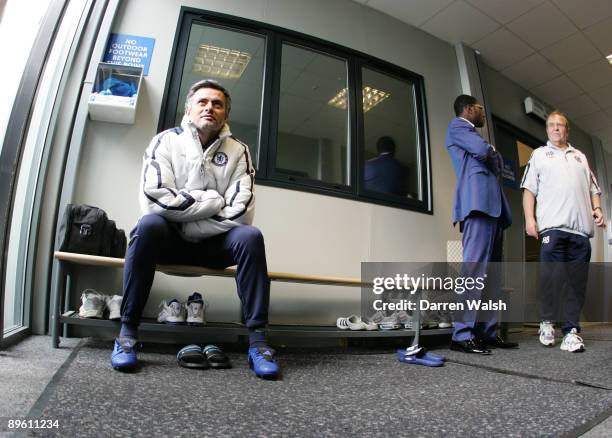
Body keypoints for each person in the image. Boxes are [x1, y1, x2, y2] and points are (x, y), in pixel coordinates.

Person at [111, 79, 279, 378]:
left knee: (250, 236)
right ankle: (127, 334)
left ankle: (258, 342)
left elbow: (241, 211)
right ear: (188, 109)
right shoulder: (164, 141)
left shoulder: (239, 151)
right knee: (148, 225)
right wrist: (213, 200)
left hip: (215, 245)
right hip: (169, 240)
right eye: (202, 102)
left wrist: (189, 215)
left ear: (225, 115)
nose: (209, 108)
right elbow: (154, 199)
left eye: (217, 104)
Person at [521, 110, 604, 353]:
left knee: (576, 283)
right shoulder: (539, 155)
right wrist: (529, 219)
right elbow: (529, 190)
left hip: (580, 232)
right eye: (552, 125)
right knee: (551, 279)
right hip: (553, 229)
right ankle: (546, 322)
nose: (557, 129)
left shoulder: (580, 157)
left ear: (567, 130)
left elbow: (594, 188)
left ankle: (571, 331)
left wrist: (597, 208)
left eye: (561, 125)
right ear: (547, 130)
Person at [445, 94, 517, 354]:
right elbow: (484, 152)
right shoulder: (458, 126)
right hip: (477, 206)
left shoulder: (472, 132)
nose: (483, 113)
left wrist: (493, 155)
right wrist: (491, 153)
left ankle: (487, 332)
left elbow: (495, 163)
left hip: (495, 210)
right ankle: (461, 335)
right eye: (480, 109)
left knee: (493, 276)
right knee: (473, 273)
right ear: (467, 109)